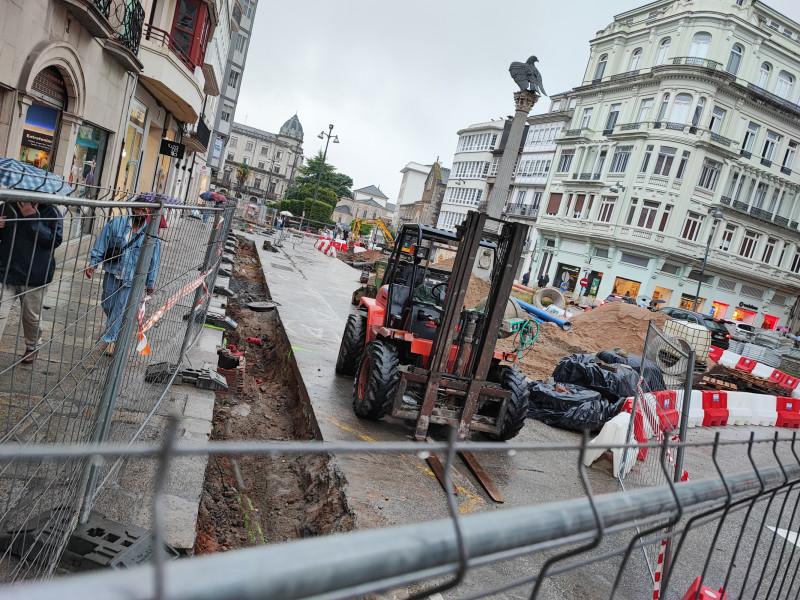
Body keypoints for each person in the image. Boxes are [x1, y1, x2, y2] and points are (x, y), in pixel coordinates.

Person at [86, 199, 161, 356]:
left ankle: (111, 340)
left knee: (120, 308)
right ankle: (116, 328)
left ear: (149, 213)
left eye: (144, 210)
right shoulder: (116, 224)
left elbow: (154, 259)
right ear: (133, 209)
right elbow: (102, 242)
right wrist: (93, 263)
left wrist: (150, 281)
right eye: (138, 209)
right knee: (107, 304)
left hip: (133, 278)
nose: (140, 213)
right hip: (113, 272)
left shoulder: (151, 234)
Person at [0, 201, 63, 363]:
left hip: (34, 275)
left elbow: (53, 241)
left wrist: (32, 218)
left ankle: (32, 346)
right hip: (6, 271)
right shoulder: (8, 206)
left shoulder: (51, 211)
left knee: (31, 317)